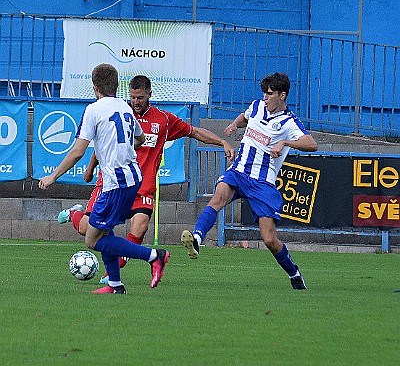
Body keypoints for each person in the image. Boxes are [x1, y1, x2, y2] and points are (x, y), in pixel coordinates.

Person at [58, 74, 236, 284]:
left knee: (139, 228)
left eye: (140, 97)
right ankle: (74, 214)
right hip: (111, 183)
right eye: (133, 97)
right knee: (87, 230)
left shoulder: (163, 120)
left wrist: (222, 142)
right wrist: (89, 169)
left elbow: (194, 132)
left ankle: (112, 277)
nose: (135, 102)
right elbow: (102, 145)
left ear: (150, 95)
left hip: (142, 187)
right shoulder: (121, 113)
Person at [39, 64, 169, 294]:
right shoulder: (125, 108)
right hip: (132, 178)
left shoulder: (94, 110)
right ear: (117, 86)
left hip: (116, 183)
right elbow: (139, 138)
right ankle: (115, 285)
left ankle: (154, 255)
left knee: (92, 240)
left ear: (95, 86)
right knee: (105, 231)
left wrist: (53, 176)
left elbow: (78, 151)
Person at [180, 72, 318, 290]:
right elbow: (245, 117)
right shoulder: (256, 106)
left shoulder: (289, 122)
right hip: (239, 171)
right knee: (217, 198)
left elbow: (311, 144)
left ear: (282, 96)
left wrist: (285, 143)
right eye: (264, 92)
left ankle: (294, 273)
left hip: (263, 182)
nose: (265, 97)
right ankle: (197, 238)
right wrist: (234, 125)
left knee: (269, 240)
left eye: (270, 94)